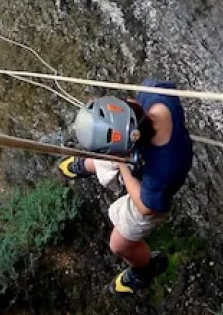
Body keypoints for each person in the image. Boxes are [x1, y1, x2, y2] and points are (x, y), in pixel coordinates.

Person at [57, 81, 193, 295]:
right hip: (138, 148)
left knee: (119, 245)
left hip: (148, 182)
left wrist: (122, 164)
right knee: (104, 154)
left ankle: (145, 269)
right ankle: (87, 165)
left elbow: (147, 207)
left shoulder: (163, 172)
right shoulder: (155, 94)